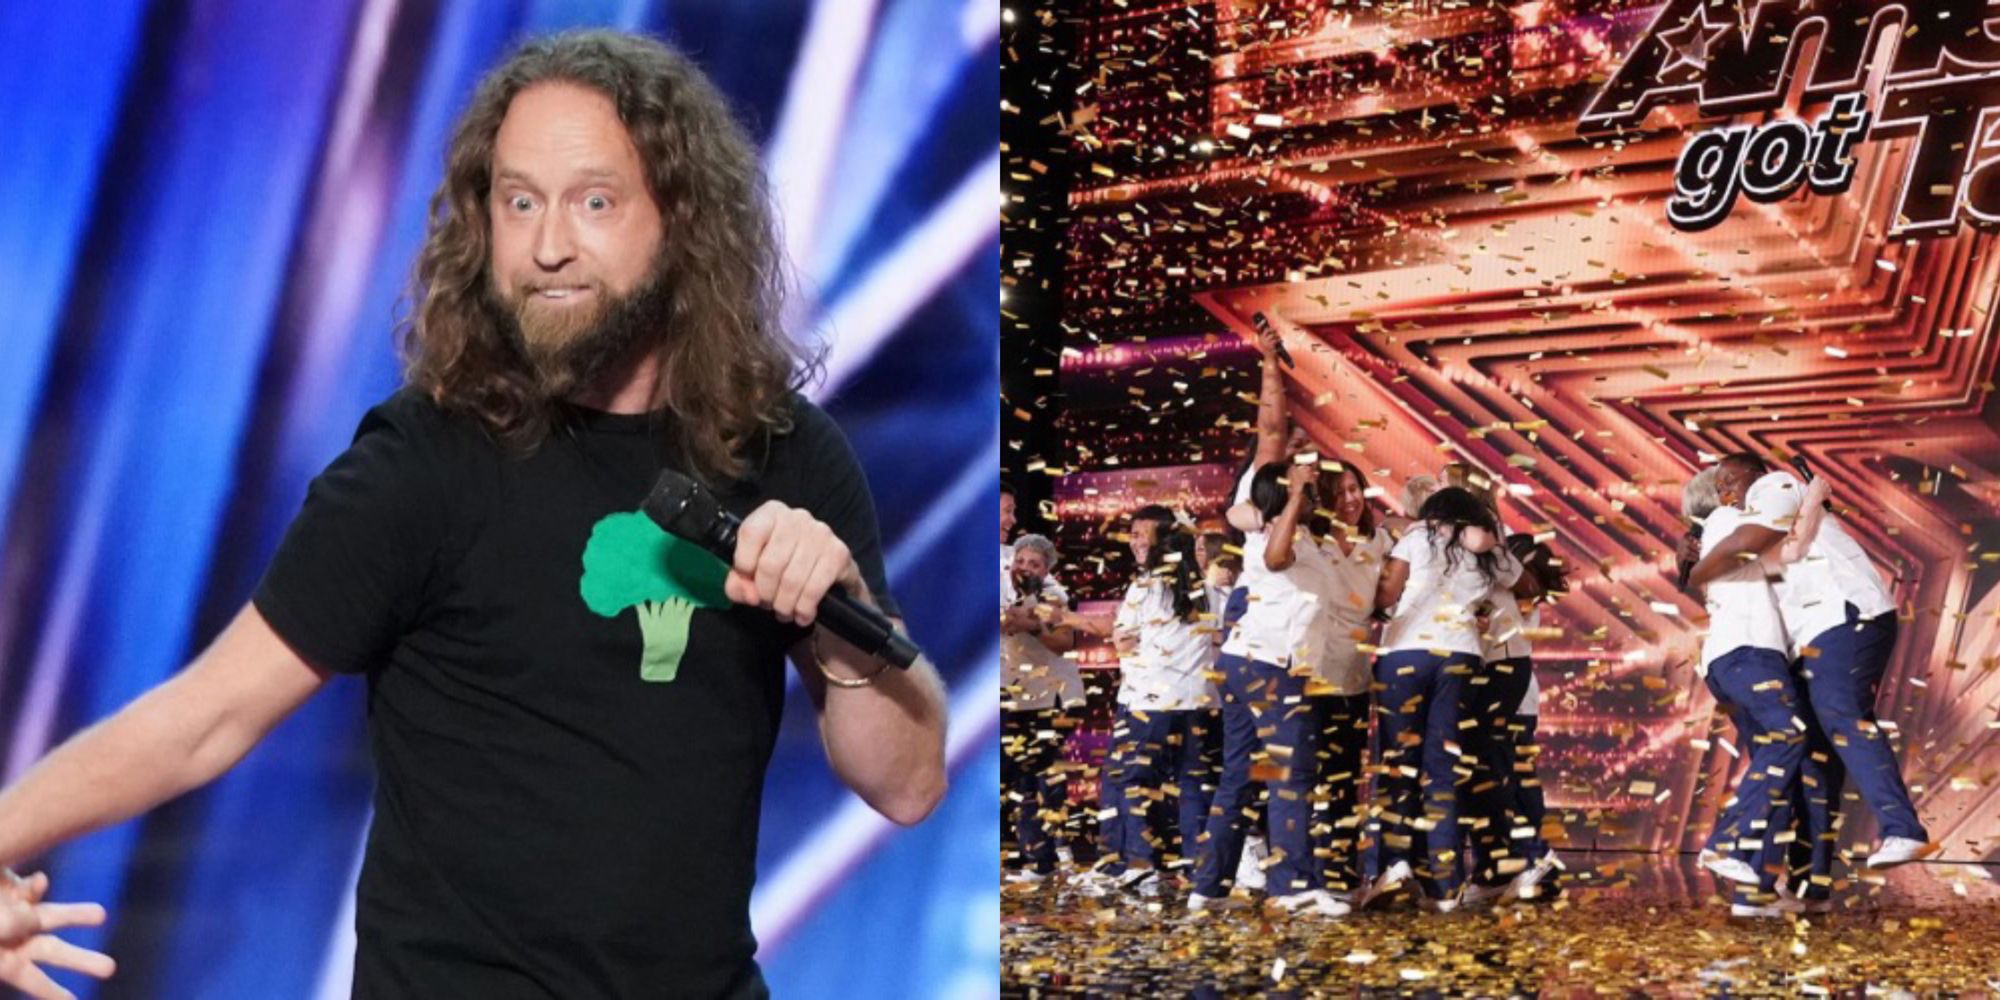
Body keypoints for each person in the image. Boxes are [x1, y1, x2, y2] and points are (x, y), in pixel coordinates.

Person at [0, 31, 947, 999]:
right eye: (517, 201)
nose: (545, 246)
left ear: (680, 219)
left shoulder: (782, 453)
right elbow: (203, 719)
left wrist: (843, 632)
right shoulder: (423, 463)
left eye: (593, 202)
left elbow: (907, 785)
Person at [1690, 454, 1933, 874]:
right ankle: (1809, 881)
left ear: (1754, 473)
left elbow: (1751, 542)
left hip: (1843, 614)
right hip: (1815, 633)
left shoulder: (1775, 485)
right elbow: (1783, 553)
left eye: (1730, 480)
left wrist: (1695, 573)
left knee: (1841, 716)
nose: (1726, 491)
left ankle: (1903, 829)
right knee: (1814, 756)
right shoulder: (1756, 519)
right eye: (1720, 488)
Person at [1364, 486, 1536, 911]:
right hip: (1462, 656)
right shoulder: (1488, 550)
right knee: (1443, 771)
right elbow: (1529, 586)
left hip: (1406, 655)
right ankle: (1446, 886)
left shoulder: (1419, 536)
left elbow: (1386, 594)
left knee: (1399, 766)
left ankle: (1394, 866)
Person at [1064, 510, 1219, 896]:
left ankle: (1140, 863)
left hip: (1149, 702)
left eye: (1139, 534)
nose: (1133, 542)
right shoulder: (1207, 588)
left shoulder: (1146, 587)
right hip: (1198, 702)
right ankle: (1199, 872)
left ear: (1162, 541)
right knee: (1192, 784)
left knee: (1133, 780)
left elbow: (1122, 640)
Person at [1679, 464, 1807, 918]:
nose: (1761, 487)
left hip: (1740, 657)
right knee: (1789, 738)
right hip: (1747, 654)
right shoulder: (1727, 521)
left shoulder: (1722, 532)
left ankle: (1755, 889)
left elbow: (1774, 570)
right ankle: (1729, 840)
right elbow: (1765, 538)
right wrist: (1804, 498)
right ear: (1724, 493)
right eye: (1749, 480)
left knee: (1776, 767)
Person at [1002, 534, 1083, 883]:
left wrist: (1032, 626)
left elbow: (1064, 642)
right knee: (1018, 777)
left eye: (1033, 564)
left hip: (1052, 699)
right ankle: (1033, 856)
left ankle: (1047, 858)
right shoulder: (1004, 590)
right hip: (1015, 698)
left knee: (1036, 777)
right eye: (1021, 561)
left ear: (1047, 569)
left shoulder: (1054, 595)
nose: (1025, 568)